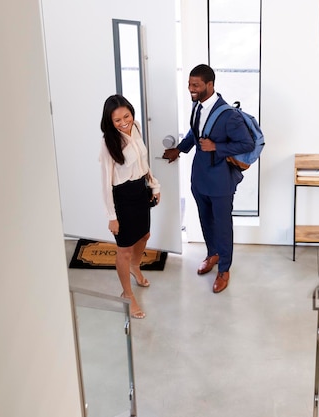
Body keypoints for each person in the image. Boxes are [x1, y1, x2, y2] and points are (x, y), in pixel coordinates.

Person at [163, 64, 254, 294]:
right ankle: (212, 253)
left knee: (222, 226)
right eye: (189, 85)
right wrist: (180, 150)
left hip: (221, 181)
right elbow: (195, 133)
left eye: (196, 85)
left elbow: (247, 144)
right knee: (205, 219)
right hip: (200, 178)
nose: (190, 89)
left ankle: (224, 269)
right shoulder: (197, 105)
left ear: (210, 85)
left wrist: (217, 146)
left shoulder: (229, 115)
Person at [100, 94, 161, 318]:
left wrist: (154, 185)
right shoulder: (108, 143)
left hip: (139, 190)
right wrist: (111, 216)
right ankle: (127, 294)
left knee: (144, 235)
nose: (124, 122)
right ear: (110, 121)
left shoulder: (135, 127)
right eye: (117, 120)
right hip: (122, 196)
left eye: (126, 115)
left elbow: (143, 161)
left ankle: (136, 267)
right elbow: (106, 183)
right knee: (123, 250)